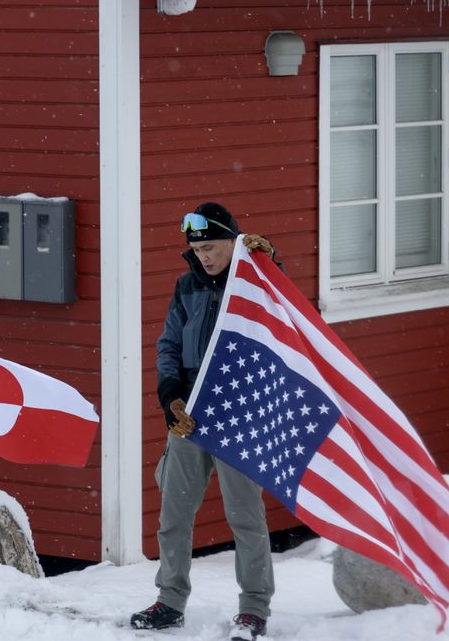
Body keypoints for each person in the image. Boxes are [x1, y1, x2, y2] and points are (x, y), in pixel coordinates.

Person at [130, 202, 277, 641]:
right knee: (174, 513)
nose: (204, 256)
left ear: (233, 243)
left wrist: (267, 260)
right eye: (197, 249)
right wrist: (171, 396)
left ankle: (254, 609)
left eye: (211, 247)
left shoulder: (253, 279)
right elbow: (168, 344)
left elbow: (281, 305)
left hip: (239, 412)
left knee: (245, 517)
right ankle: (169, 601)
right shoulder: (186, 286)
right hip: (190, 411)